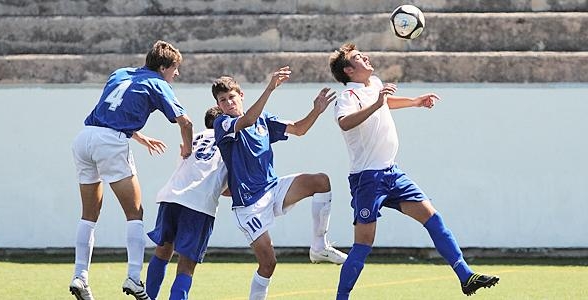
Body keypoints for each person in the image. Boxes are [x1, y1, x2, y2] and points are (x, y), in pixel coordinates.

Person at [328, 43, 499, 298]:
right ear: (349, 70)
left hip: (392, 173)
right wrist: (376, 104)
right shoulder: (347, 97)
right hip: (367, 178)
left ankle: (466, 276)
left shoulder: (374, 83)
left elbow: (386, 103)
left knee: (433, 218)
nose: (366, 56)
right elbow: (345, 123)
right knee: (363, 244)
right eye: (358, 57)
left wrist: (415, 102)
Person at [69, 40, 193, 300]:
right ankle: (134, 278)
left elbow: (113, 109)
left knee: (89, 214)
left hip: (85, 138)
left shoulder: (121, 73)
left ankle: (80, 276)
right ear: (163, 67)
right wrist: (187, 150)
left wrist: (139, 136)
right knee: (135, 213)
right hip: (111, 143)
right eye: (175, 68)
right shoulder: (159, 83)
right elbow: (186, 121)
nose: (176, 73)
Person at [212, 67, 348, 300]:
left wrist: (316, 110)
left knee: (320, 181)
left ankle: (319, 246)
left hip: (273, 189)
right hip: (248, 205)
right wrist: (270, 88)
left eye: (231, 97)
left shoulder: (263, 120)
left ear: (241, 95)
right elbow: (248, 119)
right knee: (268, 263)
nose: (228, 103)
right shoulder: (222, 124)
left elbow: (299, 129)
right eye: (222, 100)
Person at [145, 106, 228, 300]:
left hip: (172, 197)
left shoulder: (195, 137)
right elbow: (230, 184)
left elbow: (185, 165)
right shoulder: (230, 140)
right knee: (187, 264)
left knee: (162, 252)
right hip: (199, 204)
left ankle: (148, 297)